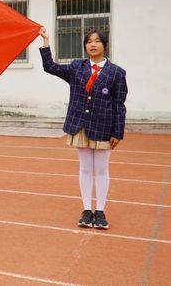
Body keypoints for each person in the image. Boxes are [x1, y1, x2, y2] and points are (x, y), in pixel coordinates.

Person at [39, 28, 127, 230]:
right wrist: (46, 41)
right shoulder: (76, 67)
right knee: (85, 169)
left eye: (97, 41)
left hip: (104, 126)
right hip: (80, 124)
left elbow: (119, 104)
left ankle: (101, 211)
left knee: (102, 170)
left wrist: (117, 131)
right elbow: (50, 67)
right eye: (88, 41)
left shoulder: (117, 73)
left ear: (105, 45)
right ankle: (87, 210)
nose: (92, 44)